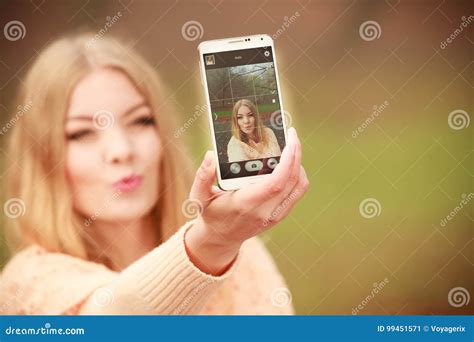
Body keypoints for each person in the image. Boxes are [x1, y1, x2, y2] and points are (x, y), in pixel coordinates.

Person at [0, 33, 309, 315]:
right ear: (43, 157)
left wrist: (223, 242)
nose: (121, 149)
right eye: (81, 133)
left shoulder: (242, 258)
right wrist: (212, 242)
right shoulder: (27, 284)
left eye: (140, 121)